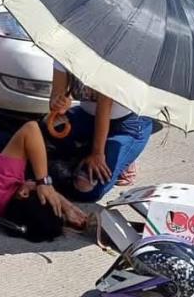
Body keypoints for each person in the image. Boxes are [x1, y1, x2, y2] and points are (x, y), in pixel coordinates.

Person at [0, 121, 88, 241]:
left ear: (24, 194)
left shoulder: (5, 175)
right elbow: (38, 216)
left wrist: (44, 183)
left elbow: (31, 128)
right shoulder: (1, 211)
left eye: (34, 188)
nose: (32, 182)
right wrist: (66, 206)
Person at [46, 64, 153, 203]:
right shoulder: (64, 51)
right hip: (87, 116)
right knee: (48, 129)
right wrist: (58, 103)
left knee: (87, 190)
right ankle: (85, 154)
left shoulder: (109, 60)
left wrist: (97, 153)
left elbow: (104, 109)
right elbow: (55, 97)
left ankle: (124, 160)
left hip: (126, 125)